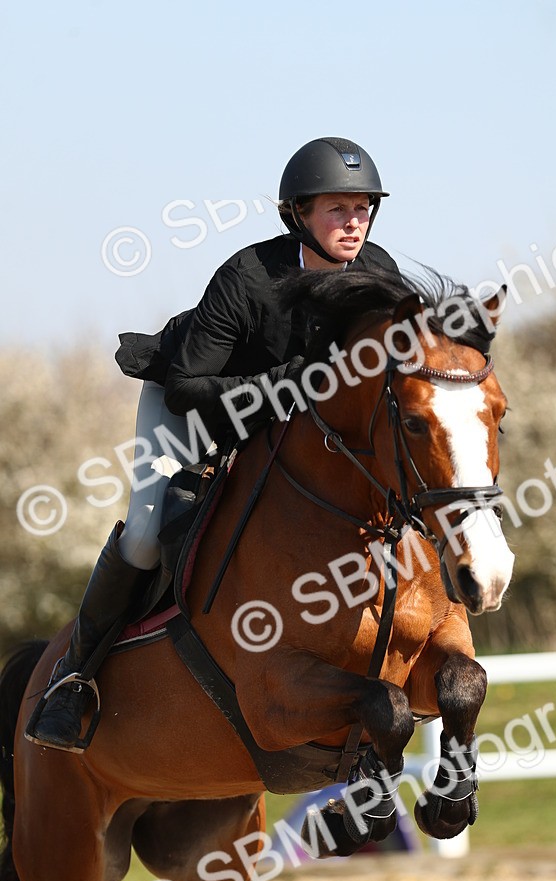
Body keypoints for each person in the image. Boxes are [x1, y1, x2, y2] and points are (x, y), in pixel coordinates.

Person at [27, 137, 399, 751]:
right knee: (147, 535)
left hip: (288, 431)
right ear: (298, 214)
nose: (353, 222)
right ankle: (71, 681)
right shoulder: (249, 277)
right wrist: (289, 385)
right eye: (337, 209)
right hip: (194, 411)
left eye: (362, 208)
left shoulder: (377, 274)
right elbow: (186, 386)